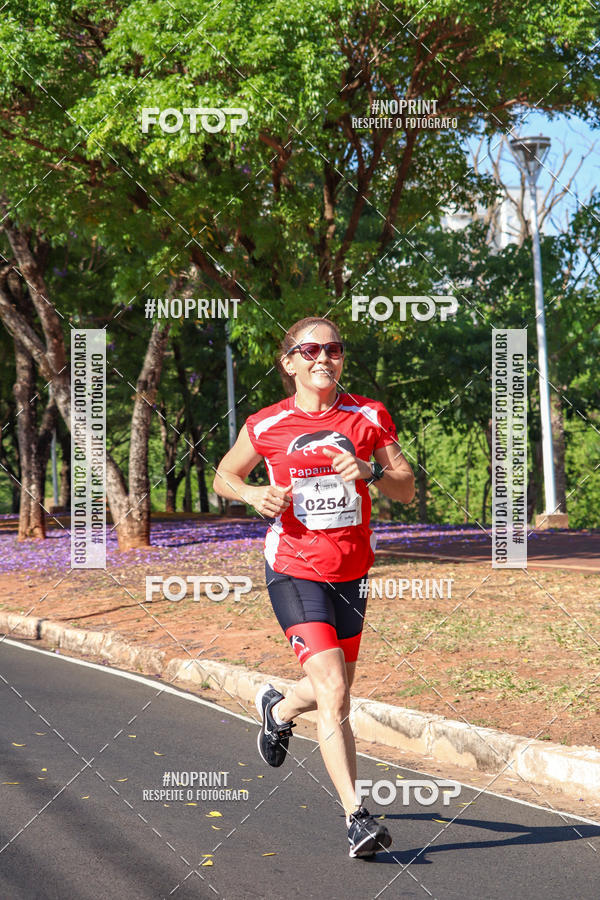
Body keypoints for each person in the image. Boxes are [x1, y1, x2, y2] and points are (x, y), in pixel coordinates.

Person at [214, 316, 415, 858]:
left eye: (334, 349)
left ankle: (278, 710)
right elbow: (224, 475)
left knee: (334, 689)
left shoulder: (369, 416)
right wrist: (254, 495)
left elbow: (408, 489)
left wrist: (369, 474)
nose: (323, 358)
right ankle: (357, 817)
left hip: (352, 572)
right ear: (289, 363)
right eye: (310, 350)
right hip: (294, 569)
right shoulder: (265, 424)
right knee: (335, 690)